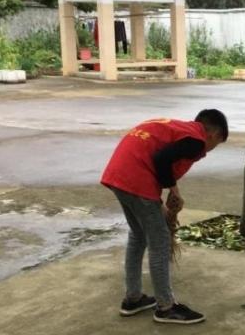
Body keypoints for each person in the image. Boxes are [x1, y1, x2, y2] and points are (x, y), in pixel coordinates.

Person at [100, 109, 229, 325]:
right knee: (159, 241)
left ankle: (133, 299)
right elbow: (161, 159)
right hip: (136, 178)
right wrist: (173, 190)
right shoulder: (196, 140)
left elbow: (156, 158)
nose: (211, 149)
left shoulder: (177, 128)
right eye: (217, 144)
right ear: (214, 134)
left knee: (139, 236)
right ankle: (166, 307)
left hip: (118, 175)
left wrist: (162, 199)